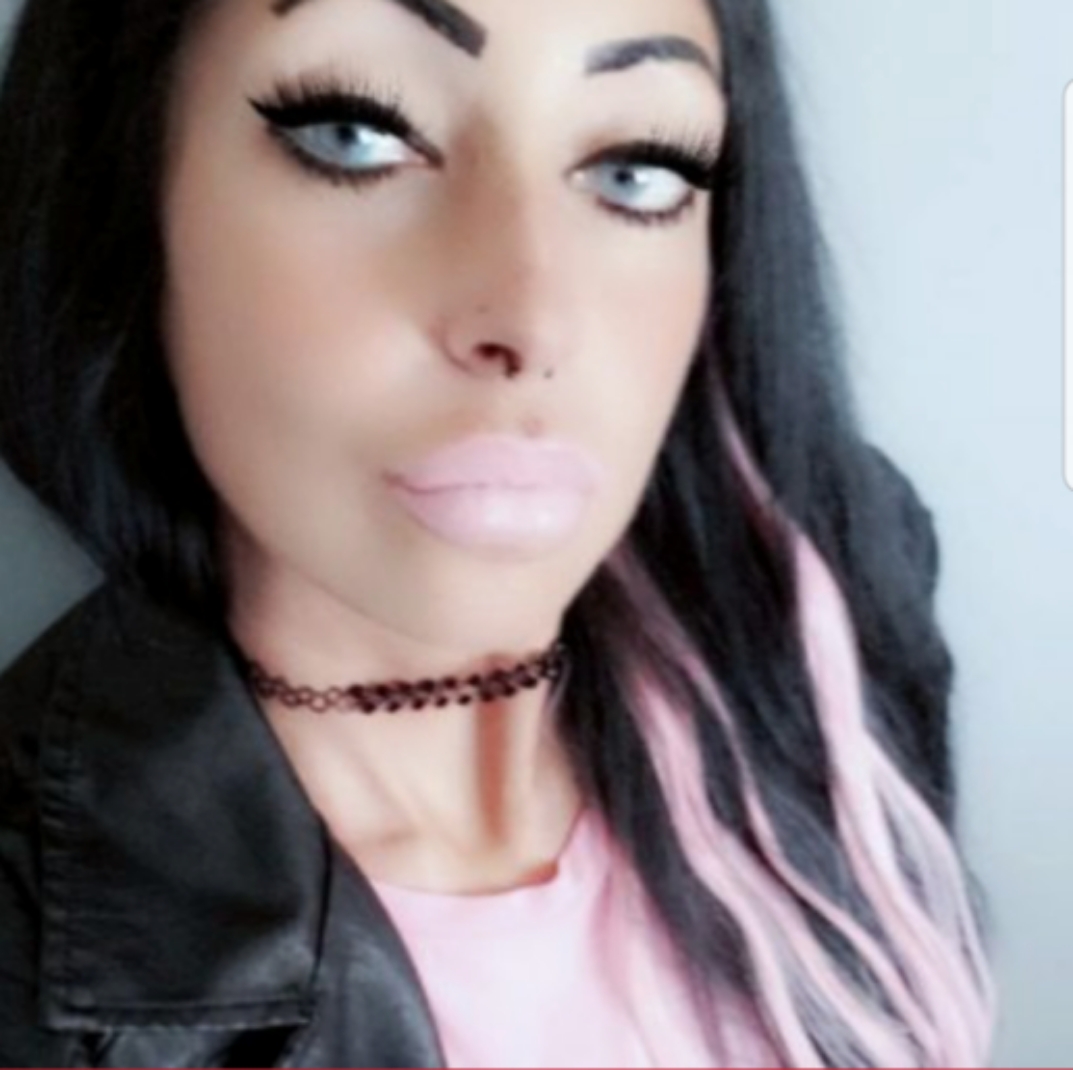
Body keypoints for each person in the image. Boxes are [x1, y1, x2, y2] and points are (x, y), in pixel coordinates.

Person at [0, 0, 998, 1065]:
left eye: (636, 168)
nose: (530, 319)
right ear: (125, 193)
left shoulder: (820, 613)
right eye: (354, 130)